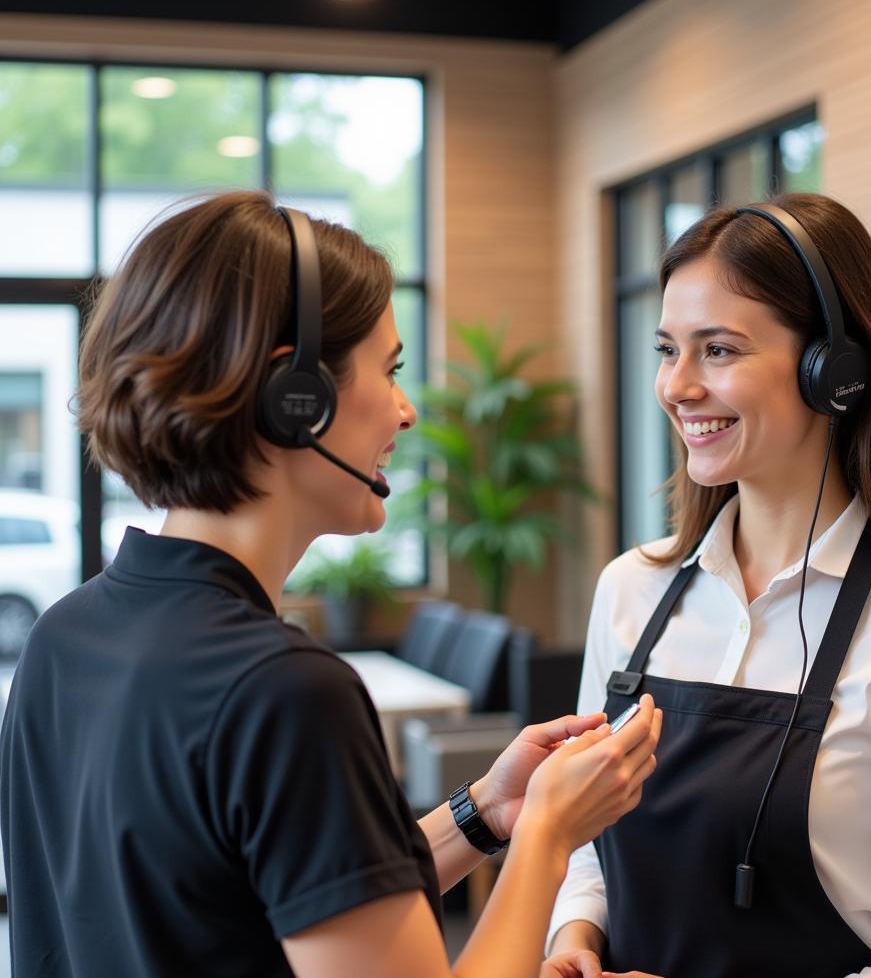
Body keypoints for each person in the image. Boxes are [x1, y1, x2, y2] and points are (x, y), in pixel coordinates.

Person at [0, 190, 663, 978]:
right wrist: (550, 835)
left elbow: (271, 903)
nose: (408, 411)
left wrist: (484, 813)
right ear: (296, 398)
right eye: (389, 371)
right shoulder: (282, 690)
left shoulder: (67, 635)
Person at [543, 193, 871, 978]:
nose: (678, 386)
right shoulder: (630, 589)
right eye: (668, 350)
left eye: (720, 351)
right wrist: (575, 939)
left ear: (833, 371)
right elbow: (594, 849)